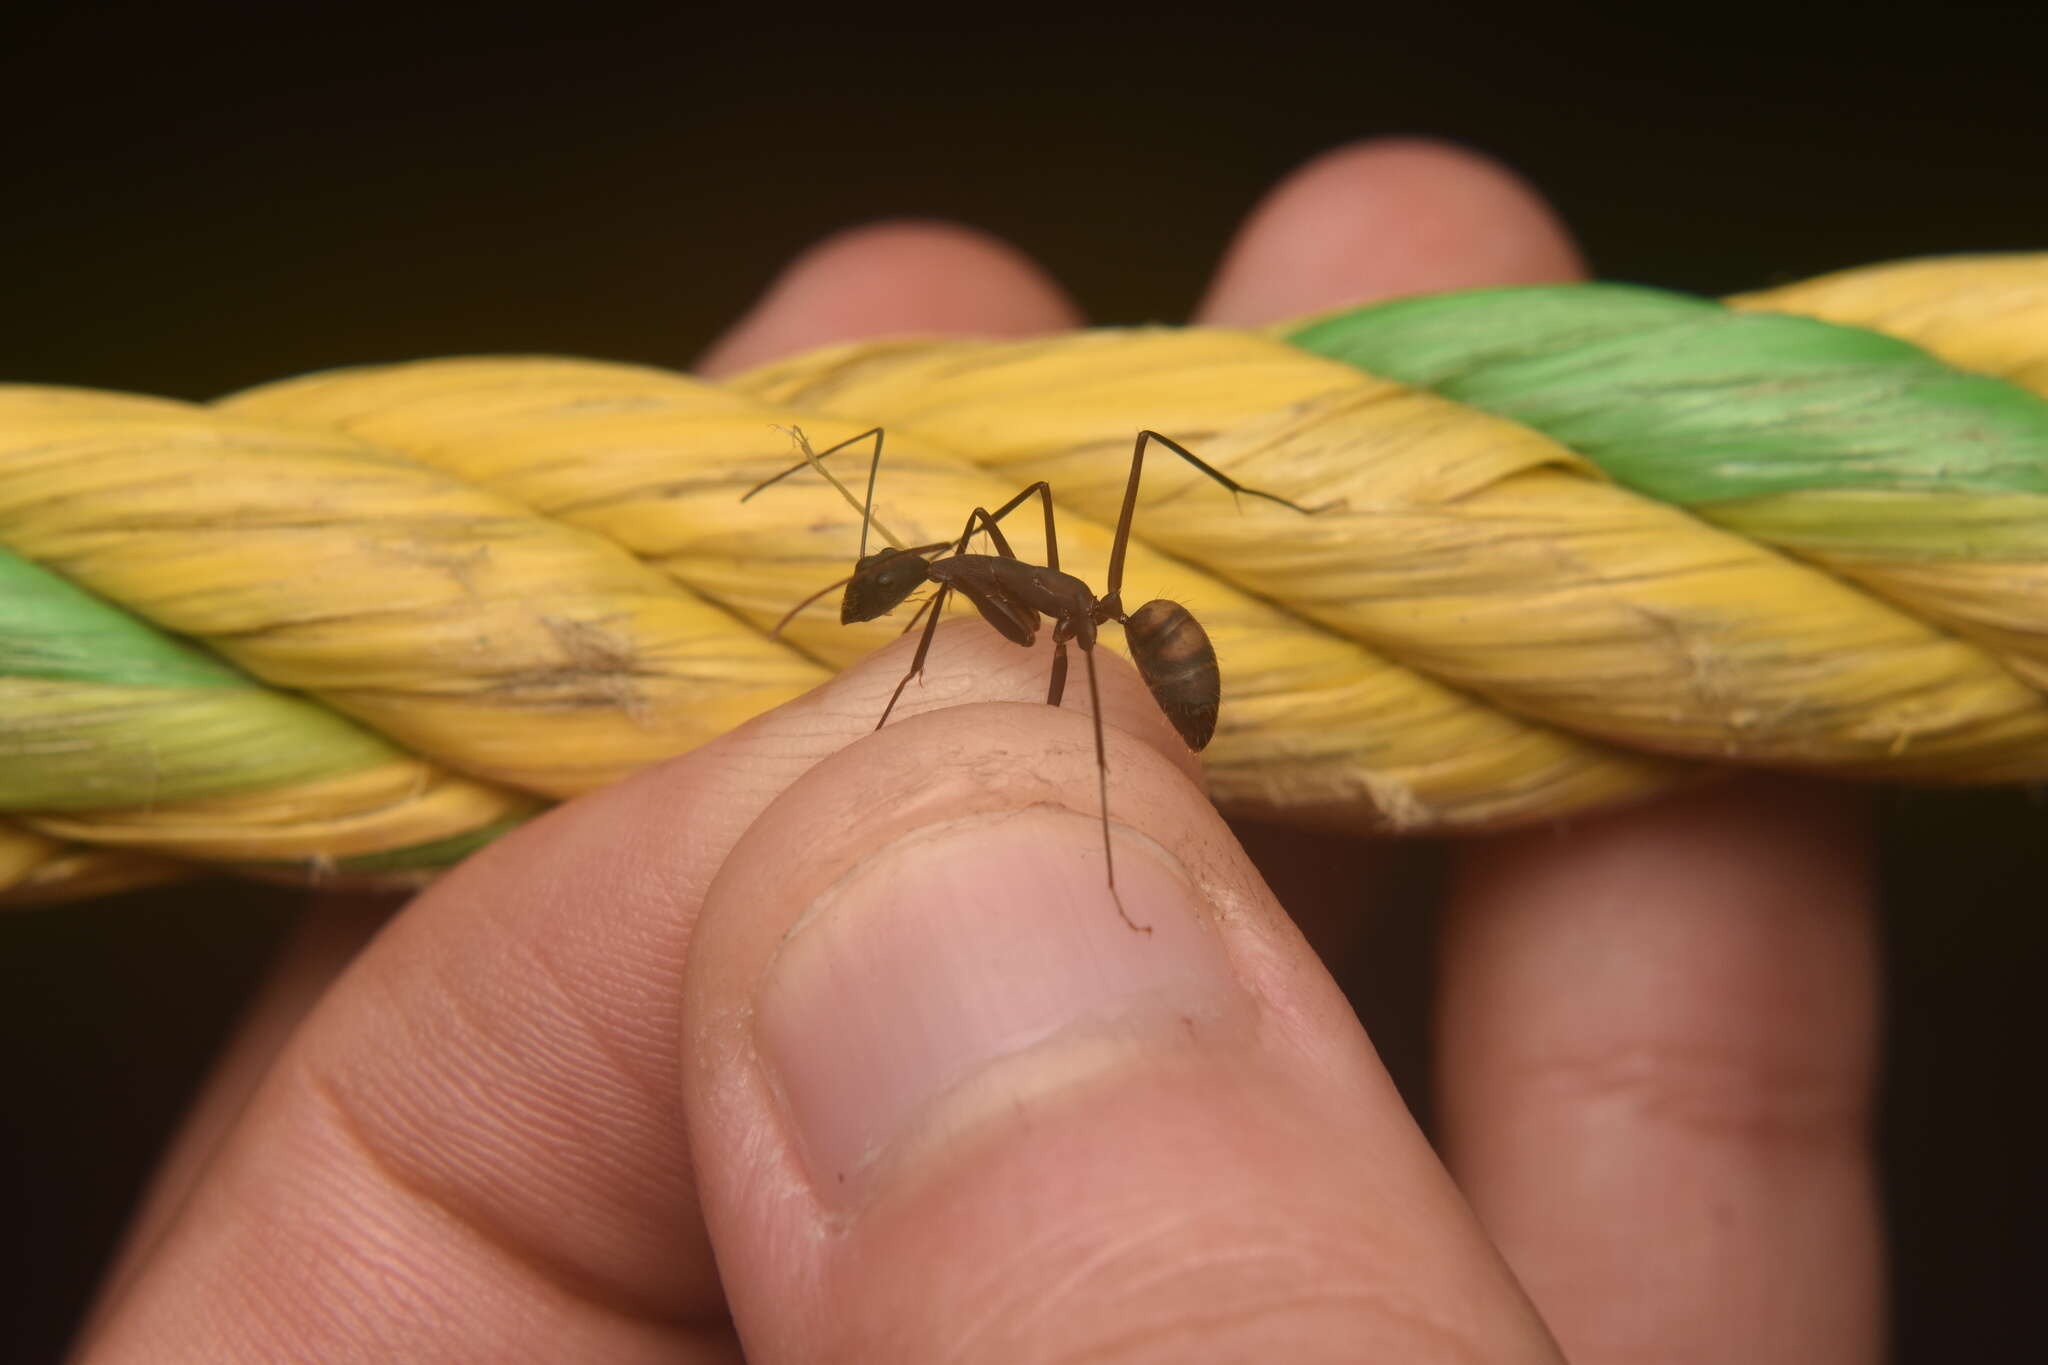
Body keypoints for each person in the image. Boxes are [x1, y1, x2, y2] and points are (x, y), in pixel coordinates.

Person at [72, 140, 1879, 1363]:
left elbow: (1020, 617)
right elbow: (935, 587)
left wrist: (1084, 864)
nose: (890, 591)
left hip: (1152, 663)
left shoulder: (1047, 604)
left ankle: (1103, 839)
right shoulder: (959, 582)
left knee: (1077, 667)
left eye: (882, 577)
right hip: (1082, 622)